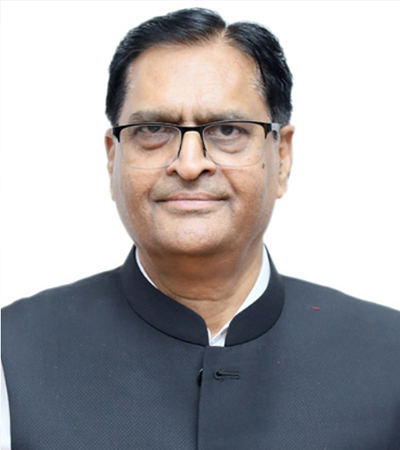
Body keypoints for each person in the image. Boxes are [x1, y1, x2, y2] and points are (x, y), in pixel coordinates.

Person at [2, 7, 400, 449]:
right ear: (113, 158)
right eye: (153, 129)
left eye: (227, 130)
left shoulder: (390, 359)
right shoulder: (12, 355)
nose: (190, 165)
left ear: (282, 157)